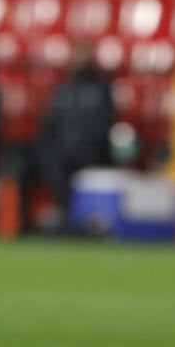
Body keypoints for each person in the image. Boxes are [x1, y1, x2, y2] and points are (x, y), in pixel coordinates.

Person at [34, 42, 115, 232]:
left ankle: (79, 220)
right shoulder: (62, 91)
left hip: (91, 152)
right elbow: (48, 126)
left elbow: (104, 126)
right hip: (61, 153)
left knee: (78, 159)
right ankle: (64, 216)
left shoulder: (101, 91)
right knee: (47, 160)